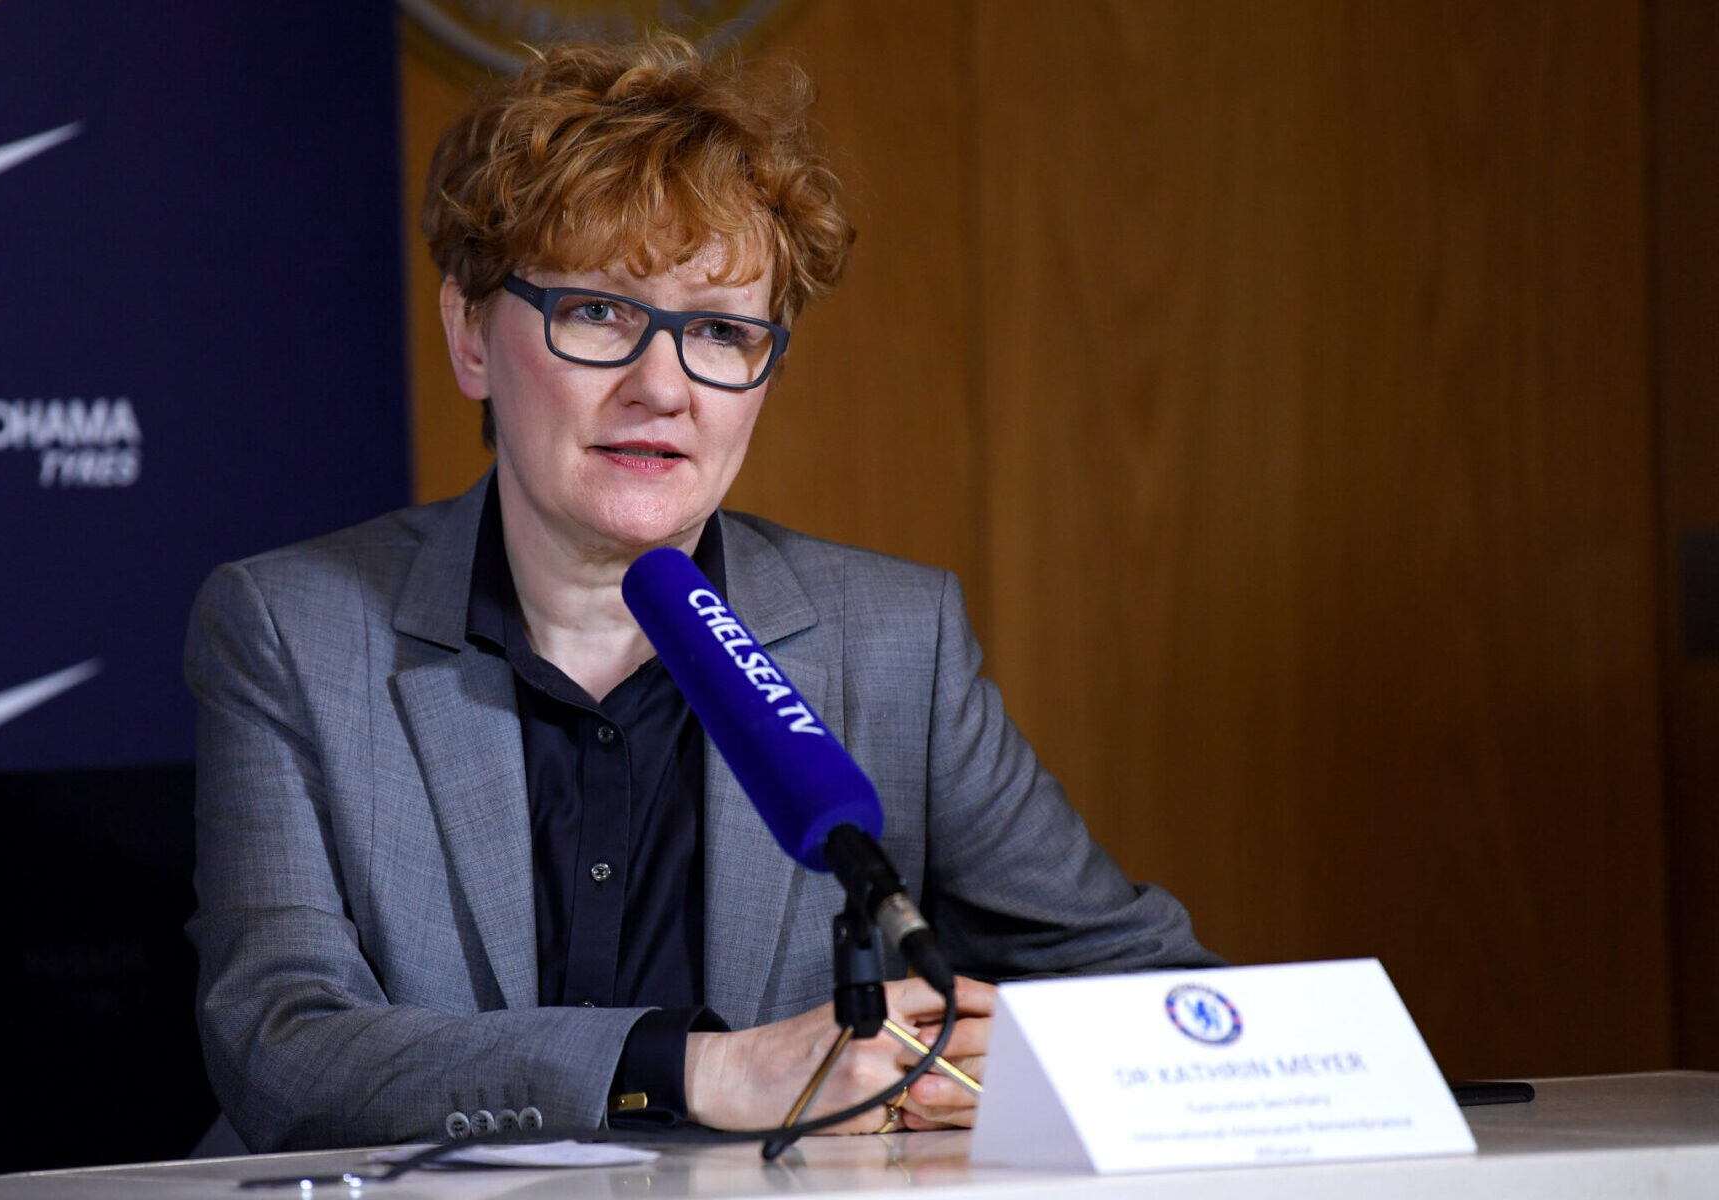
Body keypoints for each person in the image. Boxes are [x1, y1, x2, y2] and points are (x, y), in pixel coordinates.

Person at [184, 32, 1216, 1153]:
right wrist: (703, 1069)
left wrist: (1011, 1048)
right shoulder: (291, 631)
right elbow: (283, 1046)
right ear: (471, 334)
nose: (663, 386)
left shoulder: (892, 645)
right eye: (600, 314)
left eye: (722, 331)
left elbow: (1156, 990)